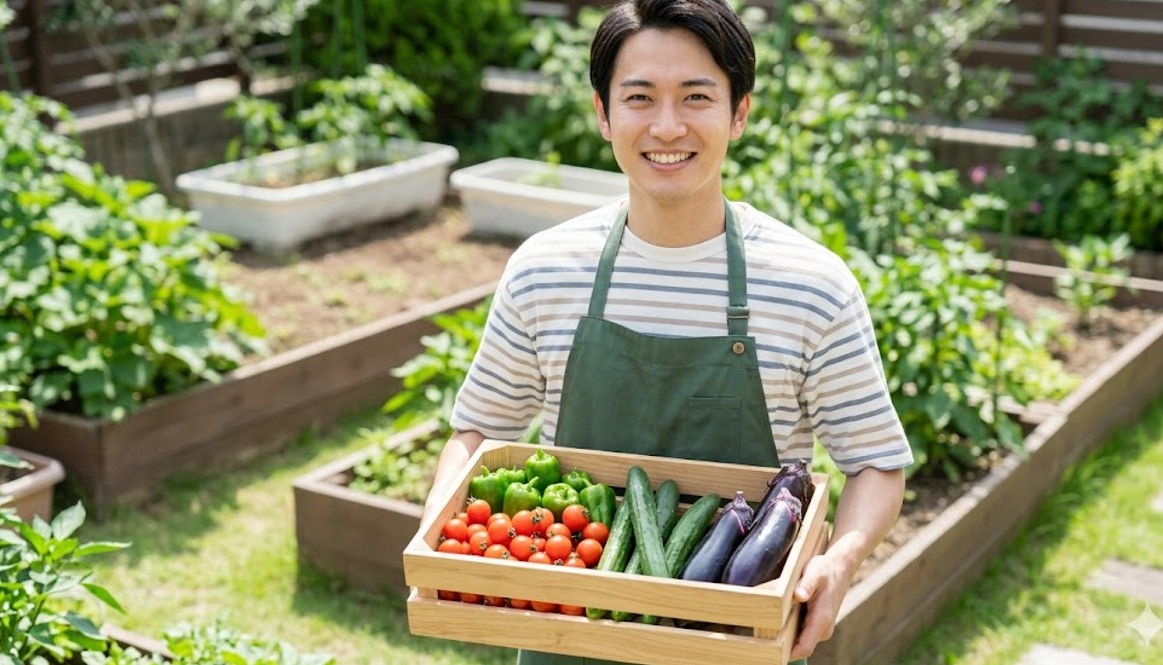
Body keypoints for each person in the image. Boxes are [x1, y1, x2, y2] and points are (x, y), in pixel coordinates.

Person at [421, 0, 912, 663]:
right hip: (566, 626)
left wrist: (841, 560)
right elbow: (478, 432)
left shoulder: (810, 285)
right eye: (640, 97)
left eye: (696, 96)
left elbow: (876, 464)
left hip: (732, 633)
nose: (667, 125)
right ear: (602, 113)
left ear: (738, 113)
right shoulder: (544, 271)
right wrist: (437, 540)